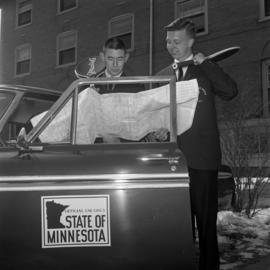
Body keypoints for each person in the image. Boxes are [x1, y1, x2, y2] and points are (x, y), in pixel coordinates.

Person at [157, 18, 238, 270]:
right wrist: (160, 129)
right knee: (179, 225)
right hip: (174, 161)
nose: (171, 46)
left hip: (202, 159)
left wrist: (207, 63)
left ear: (191, 41)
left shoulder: (204, 68)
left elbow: (230, 91)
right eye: (168, 41)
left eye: (177, 41)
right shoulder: (165, 75)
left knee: (205, 225)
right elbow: (160, 112)